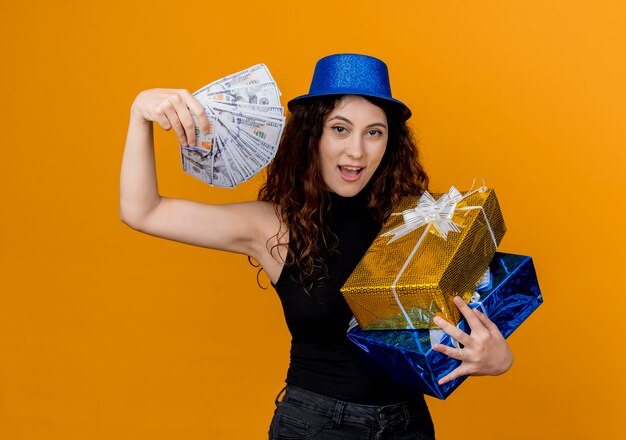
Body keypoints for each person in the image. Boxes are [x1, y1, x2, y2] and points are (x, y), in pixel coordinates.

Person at [119, 53, 514, 440]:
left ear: (390, 142)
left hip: (408, 424)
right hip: (317, 426)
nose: (356, 151)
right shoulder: (272, 225)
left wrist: (498, 359)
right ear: (313, 135)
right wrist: (140, 114)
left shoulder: (419, 221)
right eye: (340, 129)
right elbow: (143, 211)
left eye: (373, 132)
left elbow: (469, 318)